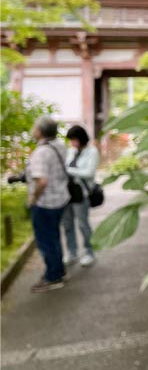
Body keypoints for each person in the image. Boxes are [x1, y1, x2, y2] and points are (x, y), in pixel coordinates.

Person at [25, 116, 70, 292]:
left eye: (34, 126)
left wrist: (32, 199)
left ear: (40, 131)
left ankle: (53, 277)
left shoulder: (41, 152)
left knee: (46, 241)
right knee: (54, 237)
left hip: (45, 203)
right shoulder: (59, 145)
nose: (32, 128)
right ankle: (59, 271)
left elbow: (42, 181)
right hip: (60, 199)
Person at [62, 125, 99, 267]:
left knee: (83, 224)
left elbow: (89, 173)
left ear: (81, 139)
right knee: (67, 224)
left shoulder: (92, 152)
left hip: (81, 193)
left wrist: (68, 170)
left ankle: (89, 252)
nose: (72, 143)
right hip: (67, 193)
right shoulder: (71, 151)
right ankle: (72, 252)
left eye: (74, 140)